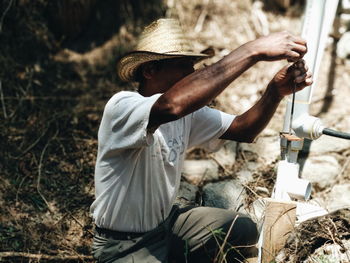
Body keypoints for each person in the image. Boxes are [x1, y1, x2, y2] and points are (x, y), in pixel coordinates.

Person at [90, 18, 312, 263]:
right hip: (124, 244)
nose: (192, 73)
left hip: (166, 226)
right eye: (184, 66)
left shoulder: (186, 113)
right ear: (150, 70)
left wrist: (274, 92)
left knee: (242, 228)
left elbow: (243, 130)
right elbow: (171, 105)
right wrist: (253, 50)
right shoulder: (123, 107)